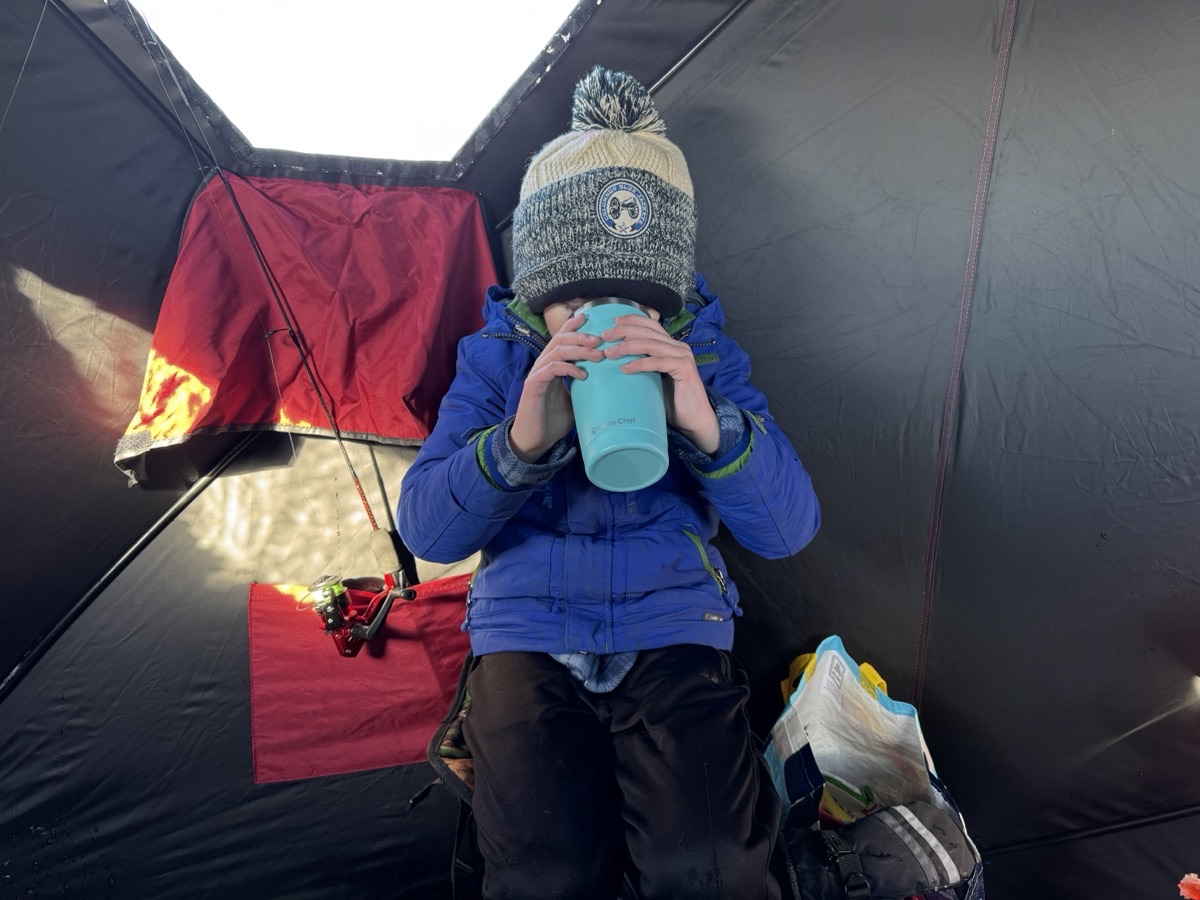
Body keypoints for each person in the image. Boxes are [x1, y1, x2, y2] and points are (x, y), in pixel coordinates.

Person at [398, 66, 820, 900]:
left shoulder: (703, 357)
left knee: (711, 871)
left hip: (672, 626)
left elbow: (789, 529)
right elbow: (427, 532)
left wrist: (706, 422)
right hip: (525, 632)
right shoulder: (495, 361)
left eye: (635, 302)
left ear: (666, 303)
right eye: (577, 302)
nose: (605, 320)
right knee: (543, 875)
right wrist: (521, 440)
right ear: (539, 293)